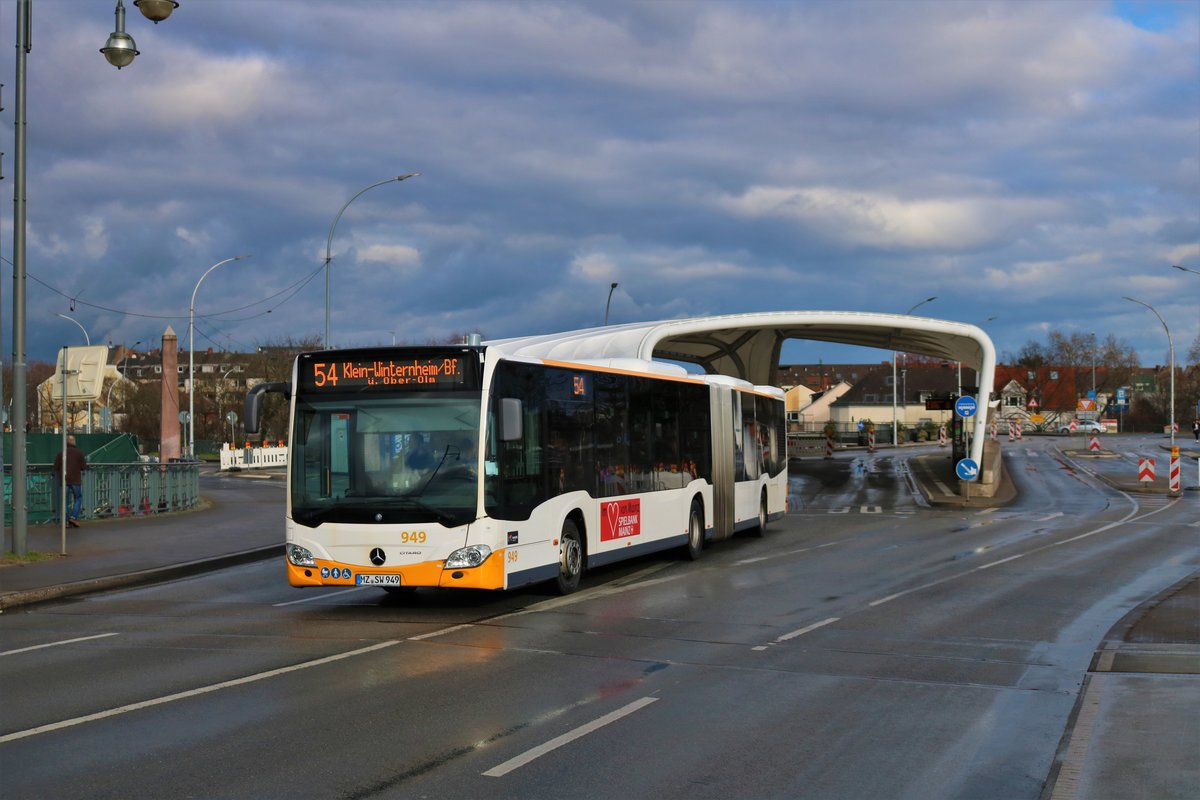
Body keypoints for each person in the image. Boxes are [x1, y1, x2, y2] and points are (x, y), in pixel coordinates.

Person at [53, 435, 87, 528]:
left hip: (64, 480)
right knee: (78, 498)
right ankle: (73, 517)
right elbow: (84, 467)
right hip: (76, 480)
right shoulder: (79, 453)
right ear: (73, 442)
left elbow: (55, 467)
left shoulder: (61, 453)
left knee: (65, 501)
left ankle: (67, 520)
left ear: (66, 442)